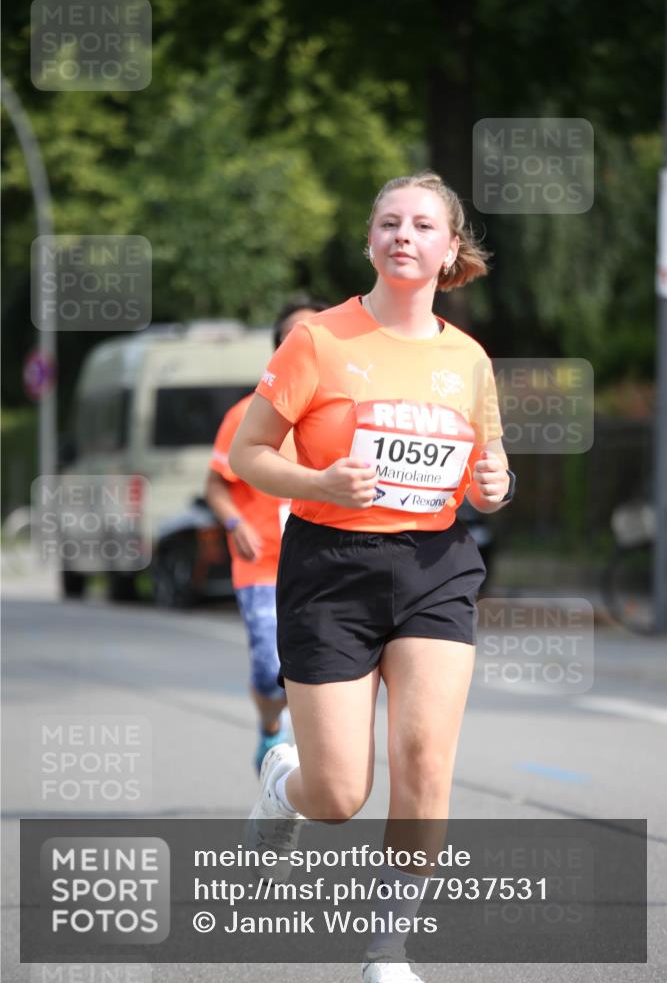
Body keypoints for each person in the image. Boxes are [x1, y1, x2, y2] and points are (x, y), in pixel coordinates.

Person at [229, 172, 514, 982]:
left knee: (425, 763)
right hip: (330, 569)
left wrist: (496, 485)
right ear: (369, 240)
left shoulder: (467, 359)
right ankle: (285, 782)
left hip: (434, 566)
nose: (403, 236)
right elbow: (251, 454)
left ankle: (386, 951)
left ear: (447, 249)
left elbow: (487, 468)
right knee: (339, 794)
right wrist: (319, 484)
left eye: (422, 225)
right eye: (388, 223)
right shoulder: (318, 340)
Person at [205, 296, 329, 775]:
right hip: (261, 564)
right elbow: (215, 483)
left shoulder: (345, 413)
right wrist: (233, 522)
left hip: (322, 562)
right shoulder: (247, 415)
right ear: (280, 351)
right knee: (266, 666)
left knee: (319, 661)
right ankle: (270, 728)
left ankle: (310, 758)